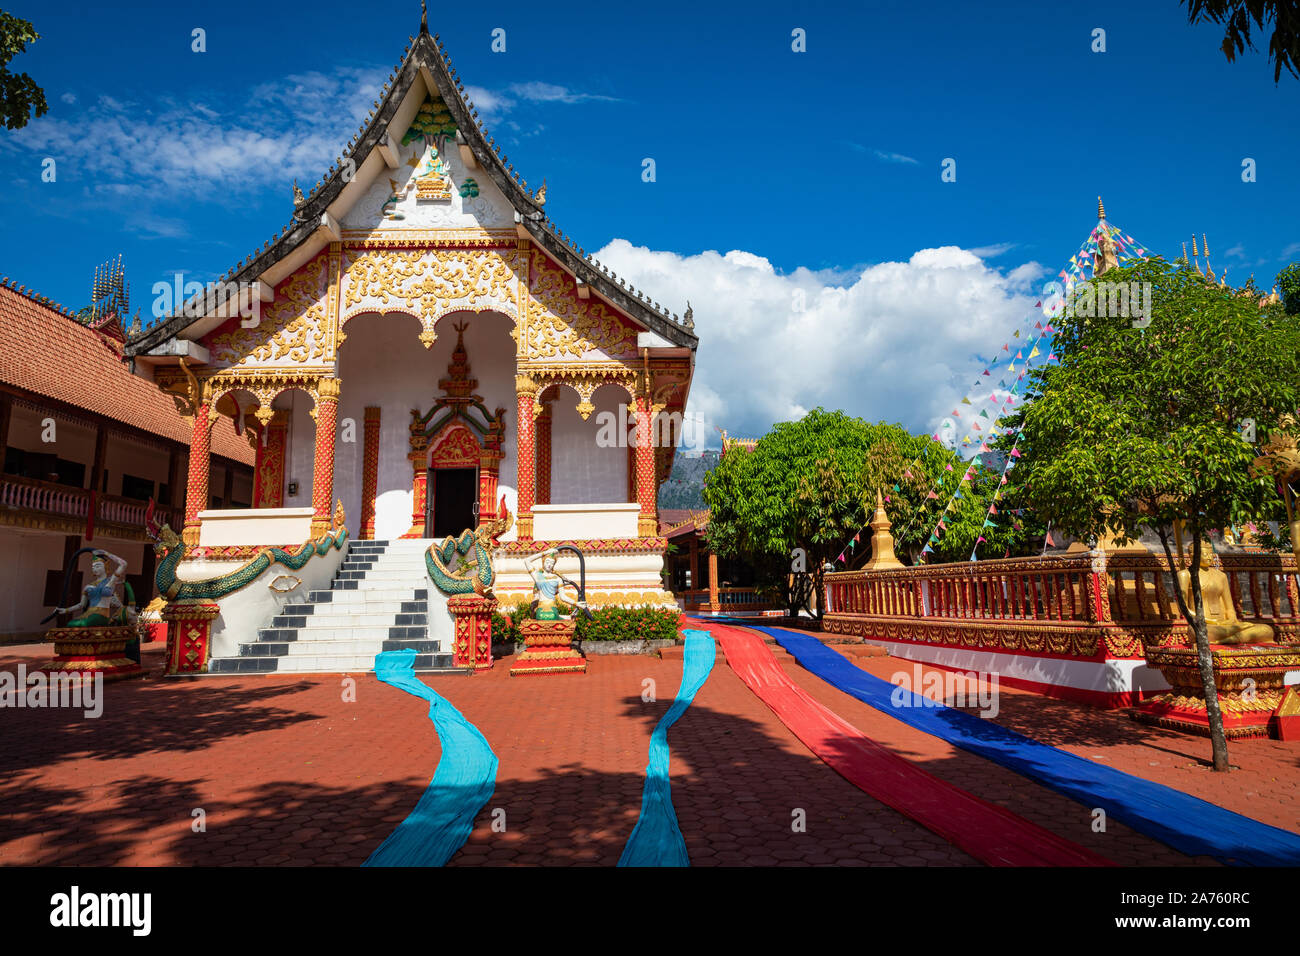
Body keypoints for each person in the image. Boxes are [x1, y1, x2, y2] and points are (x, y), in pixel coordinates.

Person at [56, 549, 135, 628]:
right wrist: (65, 610)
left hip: (102, 615)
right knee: (71, 624)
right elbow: (81, 605)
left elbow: (123, 564)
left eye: (98, 566)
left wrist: (105, 553)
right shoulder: (88, 586)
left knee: (83, 624)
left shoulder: (111, 580)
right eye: (93, 567)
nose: (95, 569)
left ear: (105, 566)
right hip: (89, 614)